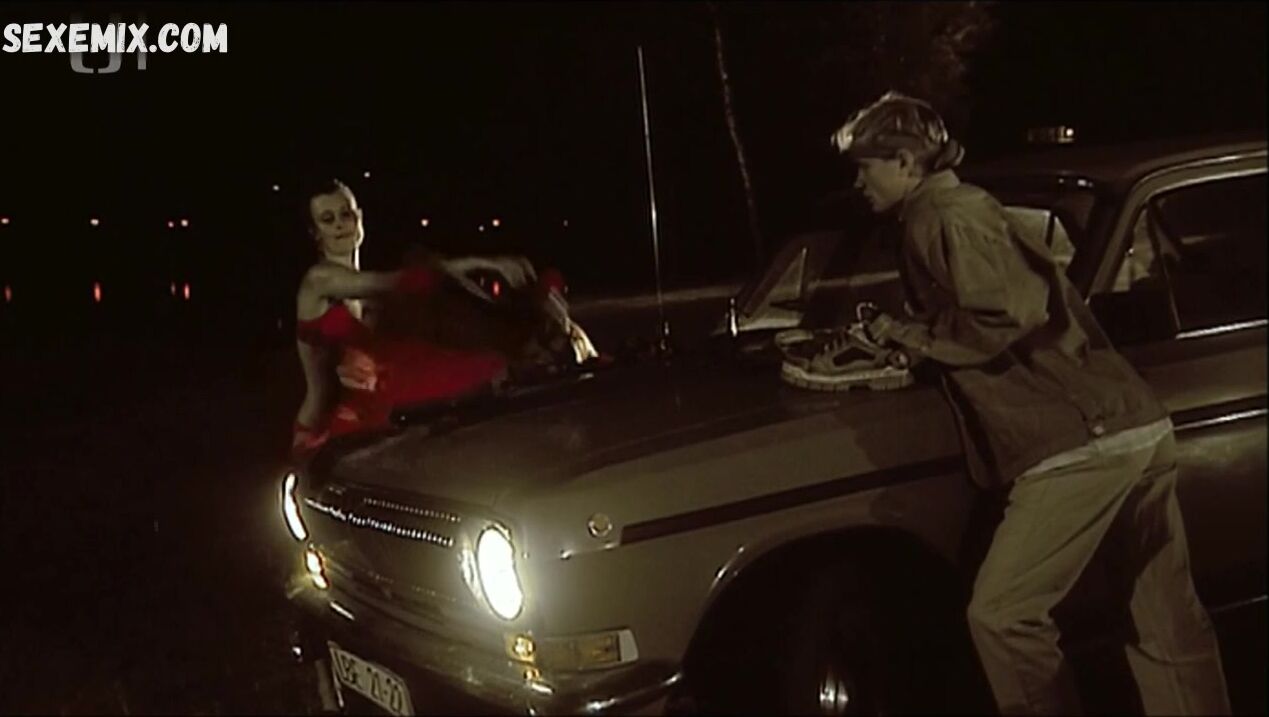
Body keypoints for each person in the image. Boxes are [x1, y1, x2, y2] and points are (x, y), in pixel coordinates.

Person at [825, 92, 1230, 715]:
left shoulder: (946, 213)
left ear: (906, 162)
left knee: (1002, 616)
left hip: (1079, 440)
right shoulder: (957, 209)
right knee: (1164, 620)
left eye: (866, 167)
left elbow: (1007, 310)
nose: (859, 182)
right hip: (1131, 424)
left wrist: (912, 338)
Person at [292, 178, 592, 459]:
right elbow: (408, 280)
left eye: (346, 214)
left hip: (378, 418)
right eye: (327, 219)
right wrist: (482, 263)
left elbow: (419, 289)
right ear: (315, 232)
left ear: (360, 217)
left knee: (489, 372)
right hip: (327, 431)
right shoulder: (319, 282)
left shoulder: (370, 289)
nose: (340, 224)